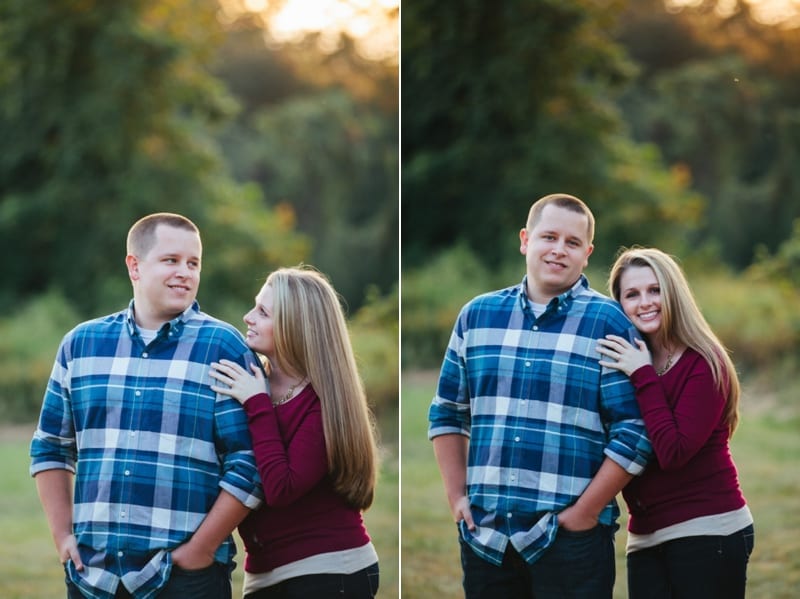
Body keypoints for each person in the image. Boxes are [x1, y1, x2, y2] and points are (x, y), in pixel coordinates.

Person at [428, 193, 653, 598]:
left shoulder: (608, 321)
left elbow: (634, 430)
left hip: (571, 542)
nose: (558, 250)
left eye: (571, 243)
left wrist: (583, 513)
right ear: (525, 240)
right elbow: (447, 412)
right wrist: (457, 496)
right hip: (486, 538)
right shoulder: (477, 316)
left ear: (587, 253)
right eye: (548, 236)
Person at [30, 213, 264, 599]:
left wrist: (201, 549)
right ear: (134, 266)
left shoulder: (223, 347)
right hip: (93, 578)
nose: (185, 273)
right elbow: (50, 447)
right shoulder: (81, 345)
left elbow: (249, 460)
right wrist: (62, 537)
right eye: (171, 260)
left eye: (193, 263)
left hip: (186, 578)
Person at [208, 265, 380, 598]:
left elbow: (280, 488)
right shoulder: (251, 382)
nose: (247, 317)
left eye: (262, 312)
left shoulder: (321, 401)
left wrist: (257, 404)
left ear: (295, 326)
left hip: (329, 571)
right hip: (262, 573)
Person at [595, 247, 754, 599]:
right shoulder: (629, 359)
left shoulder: (703, 362)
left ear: (674, 293)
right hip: (645, 534)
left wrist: (643, 374)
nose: (644, 302)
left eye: (655, 290)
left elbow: (674, 452)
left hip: (709, 529)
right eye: (631, 294)